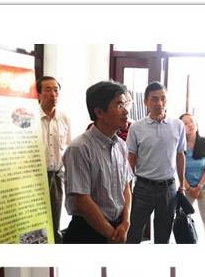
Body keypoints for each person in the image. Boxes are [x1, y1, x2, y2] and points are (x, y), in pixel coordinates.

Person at [63, 81, 132, 243]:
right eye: (119, 105)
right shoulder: (79, 148)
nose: (126, 111)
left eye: (125, 104)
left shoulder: (121, 145)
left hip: (117, 227)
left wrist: (125, 223)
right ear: (99, 112)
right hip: (87, 231)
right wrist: (111, 234)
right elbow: (82, 200)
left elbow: (126, 187)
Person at [126, 82, 186, 243]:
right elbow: (131, 159)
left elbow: (180, 155)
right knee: (133, 232)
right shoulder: (136, 127)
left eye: (163, 98)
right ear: (145, 102)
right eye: (154, 99)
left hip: (169, 188)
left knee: (163, 235)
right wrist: (128, 188)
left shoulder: (178, 125)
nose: (159, 103)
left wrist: (182, 184)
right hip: (143, 188)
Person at [36, 75, 71, 244]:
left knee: (54, 219)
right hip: (35, 177)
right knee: (36, 219)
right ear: (39, 94)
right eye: (48, 90)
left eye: (56, 90)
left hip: (57, 176)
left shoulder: (64, 118)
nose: (53, 94)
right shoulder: (31, 118)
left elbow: (68, 147)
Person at [179, 114, 205, 243]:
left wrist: (199, 187)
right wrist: (189, 188)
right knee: (182, 222)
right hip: (187, 189)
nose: (190, 124)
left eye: (191, 121)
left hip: (204, 187)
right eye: (185, 123)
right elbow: (179, 170)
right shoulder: (179, 145)